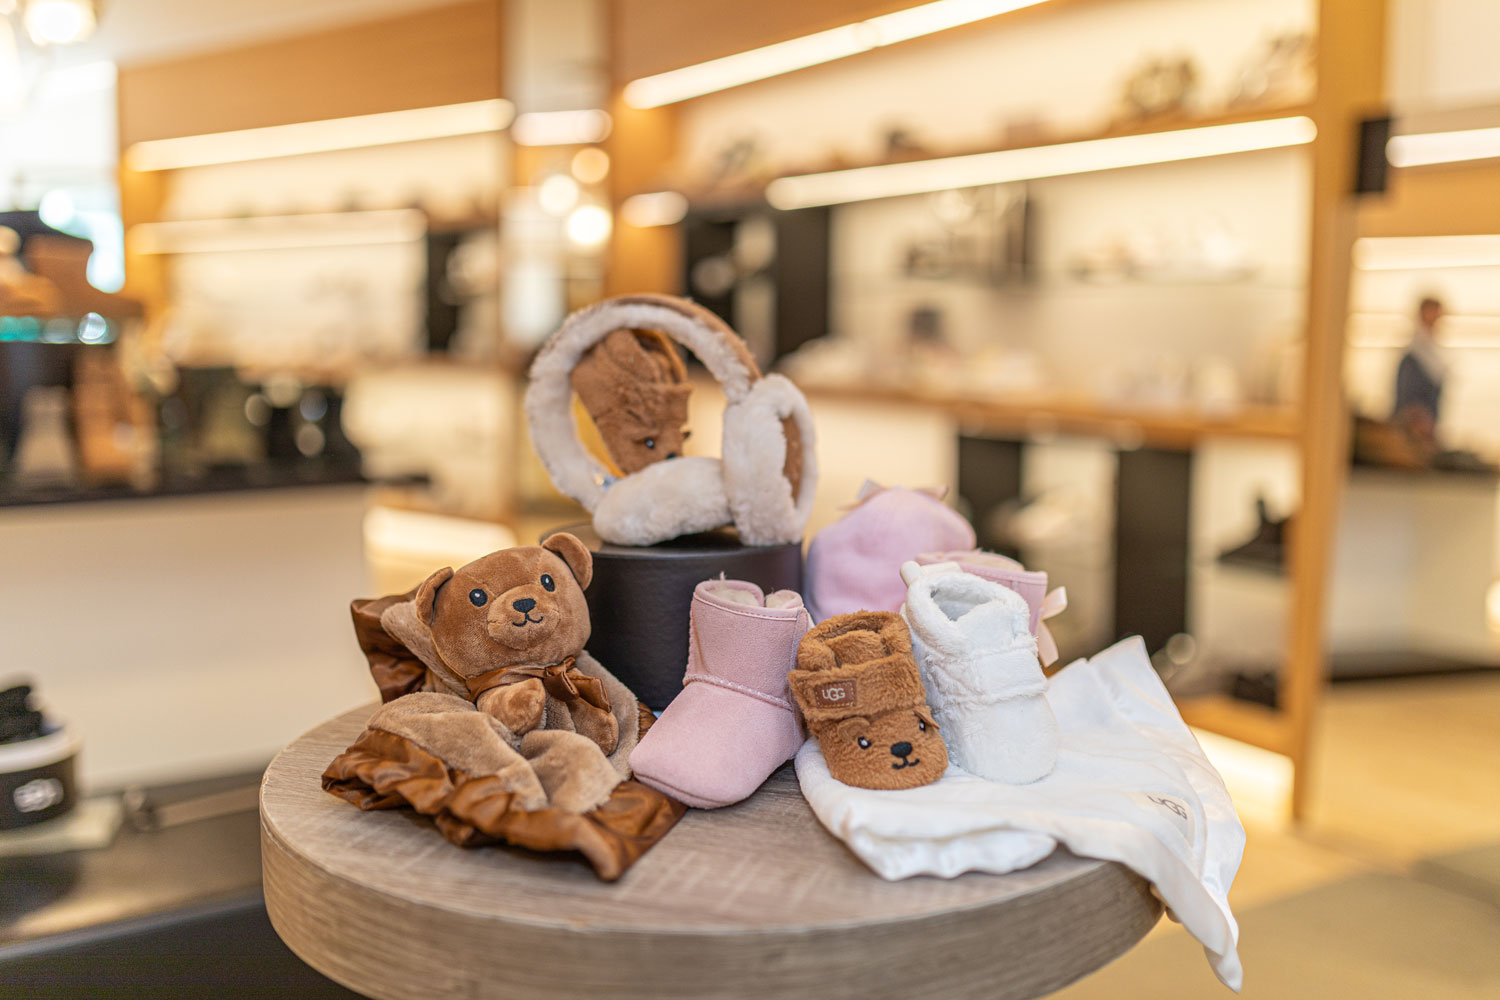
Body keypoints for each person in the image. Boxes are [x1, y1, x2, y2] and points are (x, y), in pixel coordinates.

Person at [1391, 295, 1447, 449]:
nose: (1436, 318)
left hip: (1427, 430)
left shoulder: (1435, 352)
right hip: (1412, 431)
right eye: (1432, 312)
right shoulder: (1412, 354)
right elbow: (1406, 398)